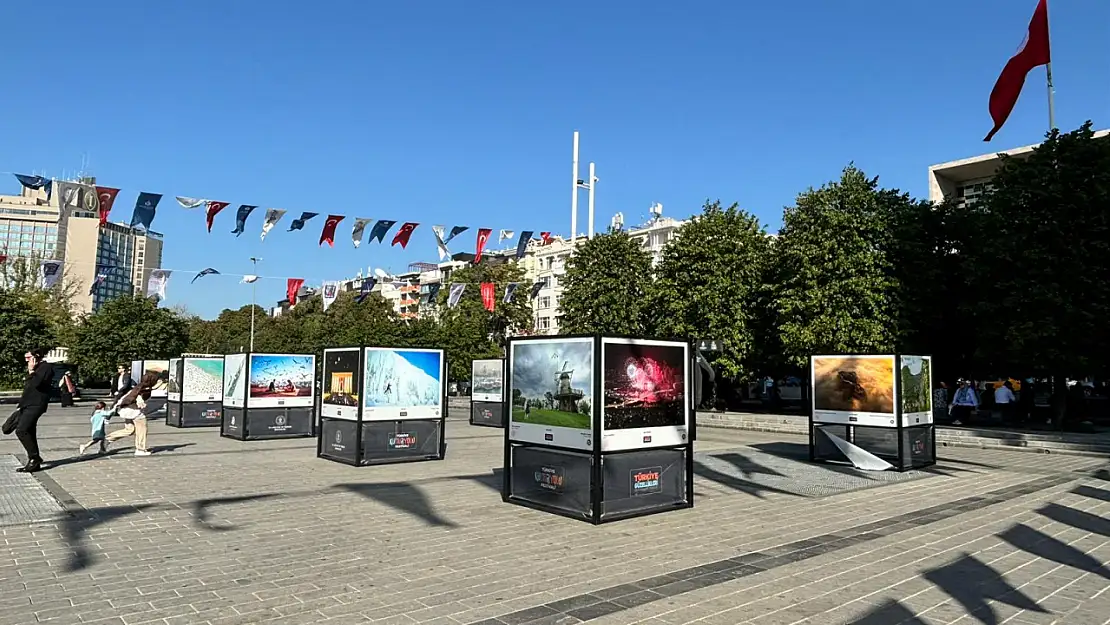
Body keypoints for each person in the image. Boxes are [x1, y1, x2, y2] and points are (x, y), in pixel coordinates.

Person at [13, 348, 55, 472]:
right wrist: (21, 404)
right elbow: (29, 388)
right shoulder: (38, 368)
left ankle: (34, 458)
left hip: (37, 404)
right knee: (29, 431)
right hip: (28, 404)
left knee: (21, 430)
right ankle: (34, 462)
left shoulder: (46, 368)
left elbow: (36, 384)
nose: (26, 360)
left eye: (28, 358)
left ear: (35, 357)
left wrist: (31, 371)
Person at [107, 372, 161, 456]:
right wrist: (140, 400)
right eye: (157, 380)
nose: (158, 381)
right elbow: (137, 395)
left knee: (130, 430)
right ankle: (140, 449)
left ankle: (107, 439)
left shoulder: (141, 386)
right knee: (142, 429)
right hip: (134, 411)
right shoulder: (144, 388)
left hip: (127, 410)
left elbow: (133, 394)